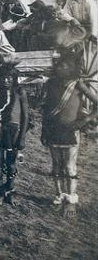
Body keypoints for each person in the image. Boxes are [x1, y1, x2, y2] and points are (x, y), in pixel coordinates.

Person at [42, 20, 98, 211]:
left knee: (70, 167)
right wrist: (44, 131)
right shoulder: (50, 84)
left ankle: (71, 198)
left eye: (63, 65)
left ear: (71, 66)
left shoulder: (77, 84)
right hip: (53, 129)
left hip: (70, 130)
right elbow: (46, 110)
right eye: (57, 65)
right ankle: (58, 194)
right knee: (56, 165)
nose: (59, 67)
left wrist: (86, 120)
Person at [0, 61, 29, 205]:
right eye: (3, 77)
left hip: (14, 132)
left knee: (11, 162)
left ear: (14, 78)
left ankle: (9, 190)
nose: (6, 80)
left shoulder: (19, 91)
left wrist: (22, 137)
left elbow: (25, 116)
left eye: (9, 77)